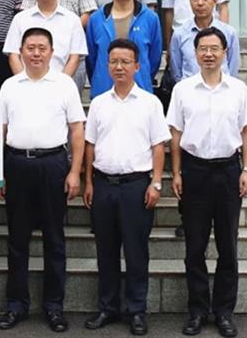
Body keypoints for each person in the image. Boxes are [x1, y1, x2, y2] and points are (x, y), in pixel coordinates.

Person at [0, 28, 85, 333]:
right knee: (17, 240)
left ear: (51, 52)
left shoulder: (64, 84)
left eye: (41, 48)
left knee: (54, 239)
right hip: (17, 164)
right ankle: (15, 305)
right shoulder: (10, 86)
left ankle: (54, 306)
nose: (35, 53)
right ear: (20, 51)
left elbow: (77, 130)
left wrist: (74, 172)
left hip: (53, 165)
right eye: (30, 47)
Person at [167, 27, 247, 338]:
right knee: (195, 246)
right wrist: (176, 173)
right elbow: (175, 134)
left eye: (214, 48)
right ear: (195, 53)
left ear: (224, 52)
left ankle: (224, 312)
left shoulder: (238, 89)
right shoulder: (183, 89)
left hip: (229, 171)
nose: (208, 54)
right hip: (195, 172)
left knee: (228, 247)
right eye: (203, 48)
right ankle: (197, 310)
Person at [83, 39, 168, 336]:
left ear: (137, 66)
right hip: (103, 185)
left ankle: (136, 310)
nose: (119, 67)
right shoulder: (98, 103)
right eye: (114, 62)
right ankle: (107, 307)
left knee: (136, 251)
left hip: (136, 186)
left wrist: (156, 183)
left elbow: (159, 146)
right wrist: (88, 181)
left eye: (125, 62)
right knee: (105, 250)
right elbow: (90, 145)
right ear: (107, 65)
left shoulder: (150, 103)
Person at [86, 0, 162, 98]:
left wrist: (142, 75)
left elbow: (154, 58)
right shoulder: (96, 19)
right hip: (104, 92)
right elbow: (91, 59)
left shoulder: (150, 18)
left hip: (140, 93)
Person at [4, 0, 87, 77]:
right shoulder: (20, 19)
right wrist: (25, 82)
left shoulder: (73, 20)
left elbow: (74, 58)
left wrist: (61, 83)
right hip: (26, 83)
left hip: (61, 83)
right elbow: (13, 55)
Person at [170, 0, 239, 82]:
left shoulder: (229, 33)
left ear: (215, 1)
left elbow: (233, 68)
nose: (200, 3)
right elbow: (176, 70)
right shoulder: (179, 34)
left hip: (221, 88)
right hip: (190, 89)